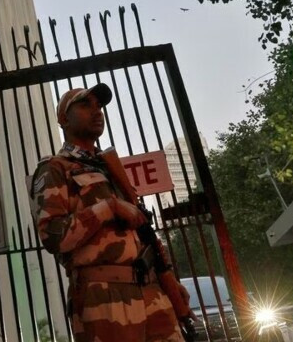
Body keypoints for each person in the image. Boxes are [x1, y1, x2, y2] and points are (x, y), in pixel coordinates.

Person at [32, 84, 186, 341]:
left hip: (151, 290)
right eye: (85, 105)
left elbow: (141, 229)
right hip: (103, 295)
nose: (97, 111)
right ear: (63, 119)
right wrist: (109, 208)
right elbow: (52, 235)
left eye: (99, 106)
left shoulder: (109, 167)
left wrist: (167, 276)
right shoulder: (55, 168)